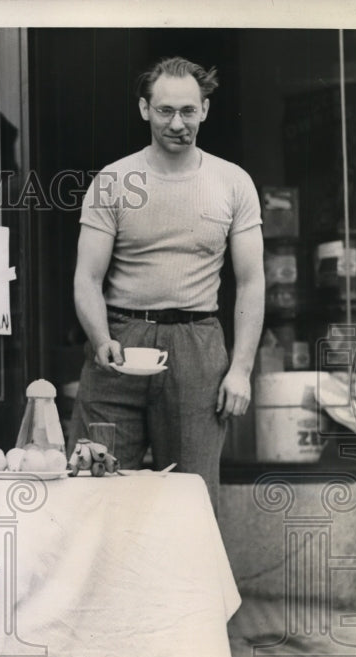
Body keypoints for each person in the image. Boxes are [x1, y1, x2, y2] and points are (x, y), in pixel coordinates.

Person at [69, 56, 265, 511]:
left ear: (205, 111)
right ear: (144, 109)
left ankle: (191, 587)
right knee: (92, 490)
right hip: (120, 344)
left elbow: (252, 283)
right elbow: (87, 277)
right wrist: (100, 340)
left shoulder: (233, 183)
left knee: (191, 500)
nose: (177, 123)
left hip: (197, 346)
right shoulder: (113, 181)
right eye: (164, 111)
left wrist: (241, 369)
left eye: (188, 111)